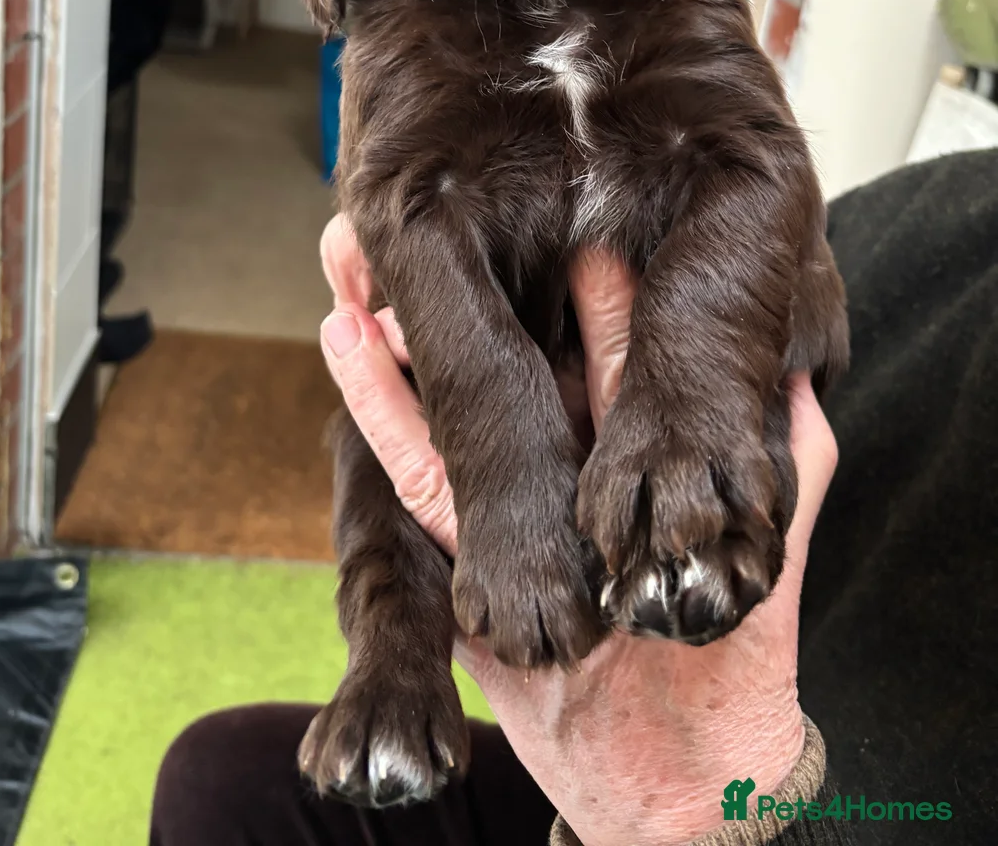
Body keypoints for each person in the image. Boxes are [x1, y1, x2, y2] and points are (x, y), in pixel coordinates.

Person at [149, 147, 998, 844]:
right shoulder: (930, 216)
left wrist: (683, 799)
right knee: (221, 786)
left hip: (763, 812)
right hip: (637, 763)